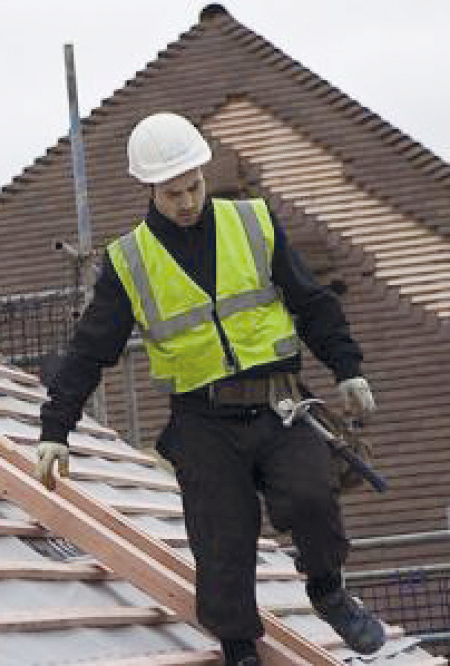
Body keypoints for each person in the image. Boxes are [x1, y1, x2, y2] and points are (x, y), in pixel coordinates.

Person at [35, 112, 385, 666]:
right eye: (172, 193)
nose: (187, 201)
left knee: (313, 497)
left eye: (193, 186)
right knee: (221, 540)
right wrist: (56, 430)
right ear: (148, 188)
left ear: (203, 172)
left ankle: (329, 592)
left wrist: (348, 368)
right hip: (201, 422)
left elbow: (311, 301)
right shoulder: (130, 262)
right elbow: (88, 352)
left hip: (279, 403)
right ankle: (239, 648)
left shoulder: (254, 223)